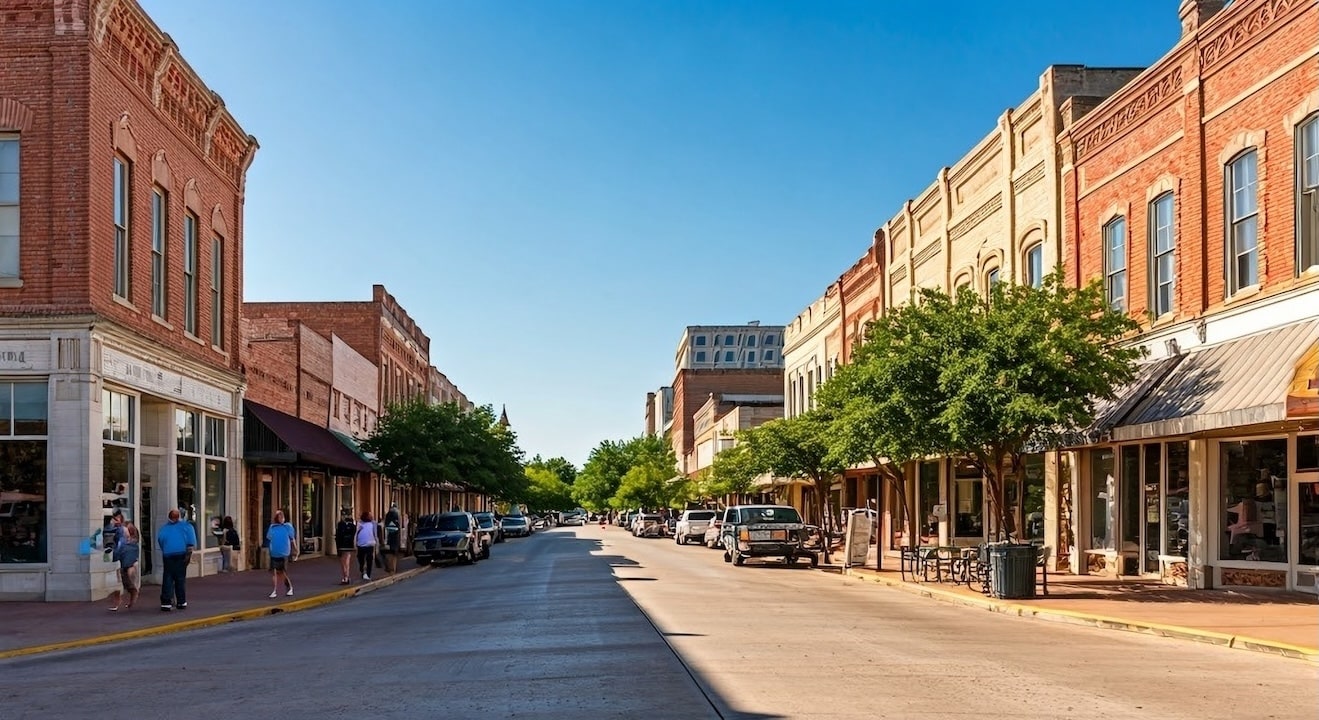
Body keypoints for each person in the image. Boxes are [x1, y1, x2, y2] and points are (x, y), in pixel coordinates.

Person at [157, 508, 196, 611]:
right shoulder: (187, 526)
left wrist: (166, 549)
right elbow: (191, 542)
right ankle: (181, 602)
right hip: (181, 553)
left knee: (168, 577)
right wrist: (188, 555)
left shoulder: (164, 528)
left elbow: (160, 540)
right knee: (180, 578)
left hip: (168, 554)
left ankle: (166, 602)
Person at [108, 521, 141, 611]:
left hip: (128, 566)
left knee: (128, 585)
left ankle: (129, 598)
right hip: (124, 565)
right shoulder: (124, 542)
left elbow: (121, 554)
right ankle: (120, 602)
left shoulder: (130, 544)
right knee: (122, 586)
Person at [266, 510, 297, 599]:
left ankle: (289, 587)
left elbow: (292, 538)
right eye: (279, 517)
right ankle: (274, 590)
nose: (281, 519)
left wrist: (295, 549)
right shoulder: (272, 527)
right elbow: (269, 537)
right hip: (274, 552)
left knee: (282, 572)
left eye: (282, 517)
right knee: (274, 572)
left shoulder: (287, 526)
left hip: (284, 552)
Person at [355, 510, 379, 581]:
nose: (371, 516)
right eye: (370, 515)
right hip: (361, 544)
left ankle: (368, 574)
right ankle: (362, 570)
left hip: (370, 544)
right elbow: (356, 533)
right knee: (360, 559)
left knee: (369, 559)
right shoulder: (360, 523)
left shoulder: (373, 523)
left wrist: (377, 543)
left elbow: (375, 534)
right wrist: (355, 542)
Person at [334, 509, 357, 585]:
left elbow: (338, 536)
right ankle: (346, 576)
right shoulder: (352, 525)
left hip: (343, 545)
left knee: (344, 562)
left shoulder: (341, 525)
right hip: (348, 545)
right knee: (346, 561)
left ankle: (346, 577)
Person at [383, 503, 401, 573]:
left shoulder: (388, 515)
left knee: (389, 554)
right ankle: (393, 568)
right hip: (394, 537)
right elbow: (398, 525)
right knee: (394, 554)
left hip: (389, 537)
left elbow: (386, 524)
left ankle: (390, 568)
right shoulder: (396, 514)